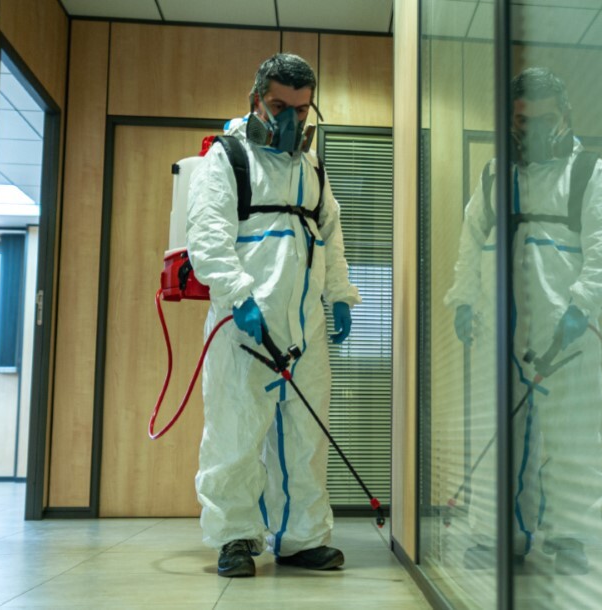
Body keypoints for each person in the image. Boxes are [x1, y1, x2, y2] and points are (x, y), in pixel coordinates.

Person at [444, 67, 602, 575]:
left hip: (566, 331)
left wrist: (580, 308)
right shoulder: (494, 177)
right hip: (498, 334)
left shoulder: (591, 175)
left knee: (571, 438)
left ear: (565, 116)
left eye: (544, 120)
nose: (531, 132)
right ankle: (499, 535)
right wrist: (463, 300)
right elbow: (470, 244)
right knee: (501, 435)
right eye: (521, 122)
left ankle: (570, 538)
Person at [186, 53, 361, 578]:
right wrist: (238, 296)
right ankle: (236, 537)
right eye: (279, 106)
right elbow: (208, 237)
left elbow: (329, 232)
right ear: (255, 99)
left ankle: (302, 537)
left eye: (302, 111)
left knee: (305, 436)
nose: (290, 121)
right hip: (243, 325)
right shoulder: (229, 158)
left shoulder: (311, 167)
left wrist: (340, 295)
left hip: (304, 325)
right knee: (236, 435)